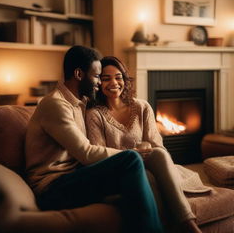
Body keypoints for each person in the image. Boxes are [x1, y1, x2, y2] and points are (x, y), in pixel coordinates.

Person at [25, 45, 163, 233]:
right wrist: (131, 152)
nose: (99, 83)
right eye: (97, 76)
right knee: (130, 160)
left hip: (74, 177)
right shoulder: (55, 105)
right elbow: (86, 153)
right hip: (51, 188)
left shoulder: (80, 103)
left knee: (144, 177)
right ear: (79, 74)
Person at [85, 56, 202, 233]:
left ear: (125, 79)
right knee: (147, 176)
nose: (114, 83)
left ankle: (188, 224)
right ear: (98, 83)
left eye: (118, 77)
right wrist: (131, 154)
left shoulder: (142, 107)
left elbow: (157, 146)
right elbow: (100, 156)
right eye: (106, 78)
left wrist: (146, 150)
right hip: (120, 170)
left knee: (160, 155)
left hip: (149, 161)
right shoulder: (95, 114)